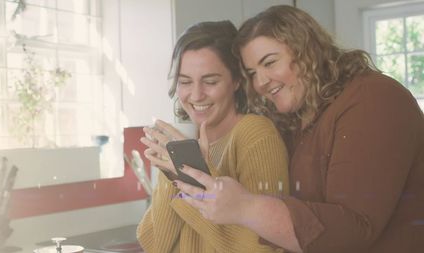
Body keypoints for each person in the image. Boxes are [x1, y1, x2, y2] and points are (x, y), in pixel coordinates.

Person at [174, 5, 424, 253]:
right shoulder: (296, 119)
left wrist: (247, 208)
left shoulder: (374, 98)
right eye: (252, 72)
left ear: (307, 51)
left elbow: (354, 229)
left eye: (270, 62)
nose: (260, 82)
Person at [136, 20, 289, 253]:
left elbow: (265, 248)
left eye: (210, 81)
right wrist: (174, 173)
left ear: (236, 81)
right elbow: (155, 245)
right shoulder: (182, 142)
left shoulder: (255, 133)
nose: (196, 95)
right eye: (185, 82)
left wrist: (194, 176)